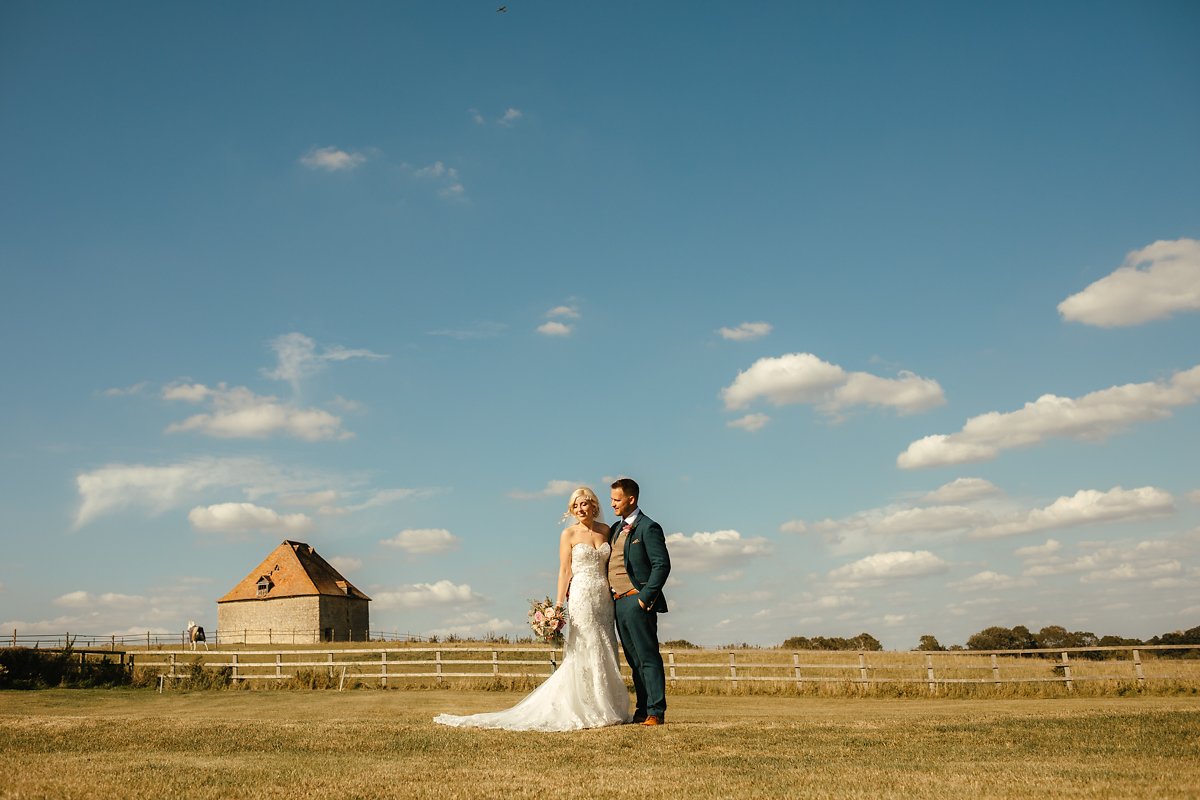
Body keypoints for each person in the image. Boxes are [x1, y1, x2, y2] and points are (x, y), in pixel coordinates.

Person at [434, 486, 631, 731]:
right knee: (585, 645)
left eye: (584, 504)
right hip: (580, 595)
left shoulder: (606, 531)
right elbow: (564, 571)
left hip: (603, 597)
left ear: (594, 506)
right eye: (575, 506)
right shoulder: (568, 535)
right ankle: (586, 706)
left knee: (605, 644)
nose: (580, 509)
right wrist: (558, 606)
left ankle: (608, 705)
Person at [608, 477, 671, 726]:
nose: (612, 504)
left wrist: (645, 599)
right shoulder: (614, 529)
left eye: (617, 499)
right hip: (617, 603)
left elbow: (661, 565)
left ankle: (656, 711)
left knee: (647, 657)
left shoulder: (649, 527)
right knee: (634, 661)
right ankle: (642, 709)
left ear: (631, 499)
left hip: (637, 601)